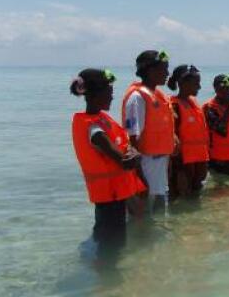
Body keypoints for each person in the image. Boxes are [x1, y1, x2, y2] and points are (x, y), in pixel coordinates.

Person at [71, 68, 145, 255]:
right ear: (95, 94)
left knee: (106, 237)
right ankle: (107, 279)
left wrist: (133, 151)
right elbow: (125, 162)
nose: (112, 97)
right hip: (109, 197)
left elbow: (124, 147)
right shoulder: (95, 129)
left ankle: (103, 273)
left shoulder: (100, 118)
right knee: (112, 247)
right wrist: (137, 156)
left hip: (113, 195)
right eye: (109, 93)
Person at [122, 50, 175, 213]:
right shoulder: (137, 98)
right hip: (146, 165)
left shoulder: (156, 95)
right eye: (164, 69)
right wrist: (139, 177)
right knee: (143, 215)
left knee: (158, 212)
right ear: (151, 70)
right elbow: (132, 139)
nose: (167, 73)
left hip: (158, 163)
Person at [167, 65, 209, 199]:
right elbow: (173, 136)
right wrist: (178, 168)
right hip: (183, 163)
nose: (199, 87)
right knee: (180, 198)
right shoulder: (174, 105)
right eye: (196, 83)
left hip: (199, 159)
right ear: (182, 83)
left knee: (194, 199)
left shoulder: (194, 103)